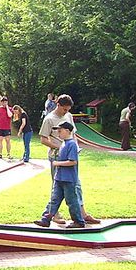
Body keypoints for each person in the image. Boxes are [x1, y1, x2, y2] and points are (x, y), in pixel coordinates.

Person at [39, 94, 100, 225]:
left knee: (76, 184)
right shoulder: (49, 119)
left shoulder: (69, 116)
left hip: (71, 155)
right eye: (64, 109)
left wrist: (75, 147)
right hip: (56, 156)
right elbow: (43, 139)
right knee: (57, 187)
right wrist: (60, 148)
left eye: (68, 109)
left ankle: (83, 214)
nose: (66, 112)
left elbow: (74, 134)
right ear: (58, 105)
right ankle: (53, 215)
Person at [33, 121, 86, 228]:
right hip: (59, 177)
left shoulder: (72, 144)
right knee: (54, 199)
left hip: (69, 178)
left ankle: (78, 221)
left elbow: (73, 161)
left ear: (67, 131)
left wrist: (57, 163)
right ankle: (46, 218)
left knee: (71, 200)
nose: (58, 133)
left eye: (60, 131)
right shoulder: (63, 143)